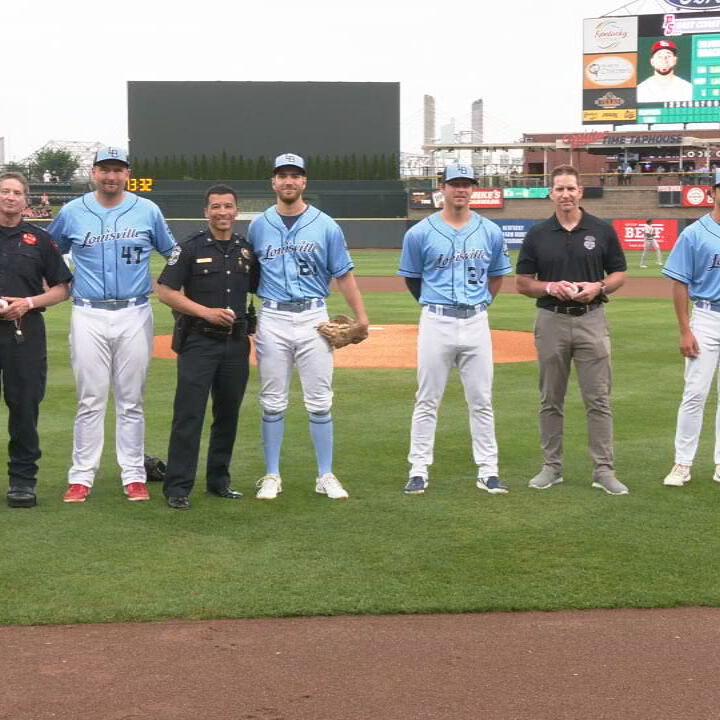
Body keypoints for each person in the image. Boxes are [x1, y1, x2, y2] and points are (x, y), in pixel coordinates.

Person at [48, 147, 176, 503]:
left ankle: (133, 474)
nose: (111, 176)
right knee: (90, 399)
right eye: (105, 169)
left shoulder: (147, 210)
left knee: (131, 399)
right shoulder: (73, 212)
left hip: (135, 312)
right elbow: (47, 251)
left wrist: (168, 286)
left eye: (117, 170)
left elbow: (175, 254)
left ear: (127, 175)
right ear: (94, 173)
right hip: (88, 312)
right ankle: (81, 477)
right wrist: (52, 285)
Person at [249, 153, 368, 501]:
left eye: (295, 176)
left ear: (304, 182)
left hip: (314, 316)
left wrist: (361, 318)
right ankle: (271, 475)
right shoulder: (259, 226)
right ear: (273, 182)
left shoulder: (326, 225)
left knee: (319, 400)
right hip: (272, 317)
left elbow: (343, 274)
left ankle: (325, 474)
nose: (289, 181)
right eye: (282, 175)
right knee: (272, 401)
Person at [398, 164, 512, 495]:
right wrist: (433, 305)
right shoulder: (419, 233)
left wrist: (481, 305)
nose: (460, 190)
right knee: (427, 398)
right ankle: (418, 469)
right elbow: (412, 278)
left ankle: (488, 470)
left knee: (481, 399)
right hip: (437, 320)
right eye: (454, 184)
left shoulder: (489, 230)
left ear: (472, 189)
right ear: (442, 188)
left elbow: (497, 275)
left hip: (476, 320)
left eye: (466, 184)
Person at [516, 164, 629, 495]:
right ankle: (552, 467)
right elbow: (522, 283)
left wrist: (598, 287)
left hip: (591, 318)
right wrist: (550, 288)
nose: (565, 194)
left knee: (598, 398)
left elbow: (620, 274)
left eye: (570, 188)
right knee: (551, 398)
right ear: (551, 193)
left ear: (580, 192)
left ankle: (604, 470)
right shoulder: (537, 234)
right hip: (551, 320)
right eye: (559, 189)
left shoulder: (601, 230)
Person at [155, 185, 258, 510]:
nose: (222, 212)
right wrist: (205, 313)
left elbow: (258, 286)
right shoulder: (189, 247)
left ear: (236, 211)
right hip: (198, 341)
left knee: (227, 414)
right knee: (189, 414)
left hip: (235, 344)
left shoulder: (246, 250)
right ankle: (178, 487)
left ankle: (219, 481)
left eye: (228, 206)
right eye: (216, 207)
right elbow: (165, 291)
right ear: (206, 211)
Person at [0, 173, 72, 508]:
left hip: (24, 332)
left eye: (17, 192)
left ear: (26, 200)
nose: (10, 197)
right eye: (4, 191)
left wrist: (27, 303)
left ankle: (23, 480)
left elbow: (62, 288)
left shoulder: (39, 239)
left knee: (24, 406)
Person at [661, 170, 720, 487]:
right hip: (707, 318)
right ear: (713, 192)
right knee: (695, 393)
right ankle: (682, 463)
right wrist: (686, 330)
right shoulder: (695, 233)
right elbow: (680, 283)